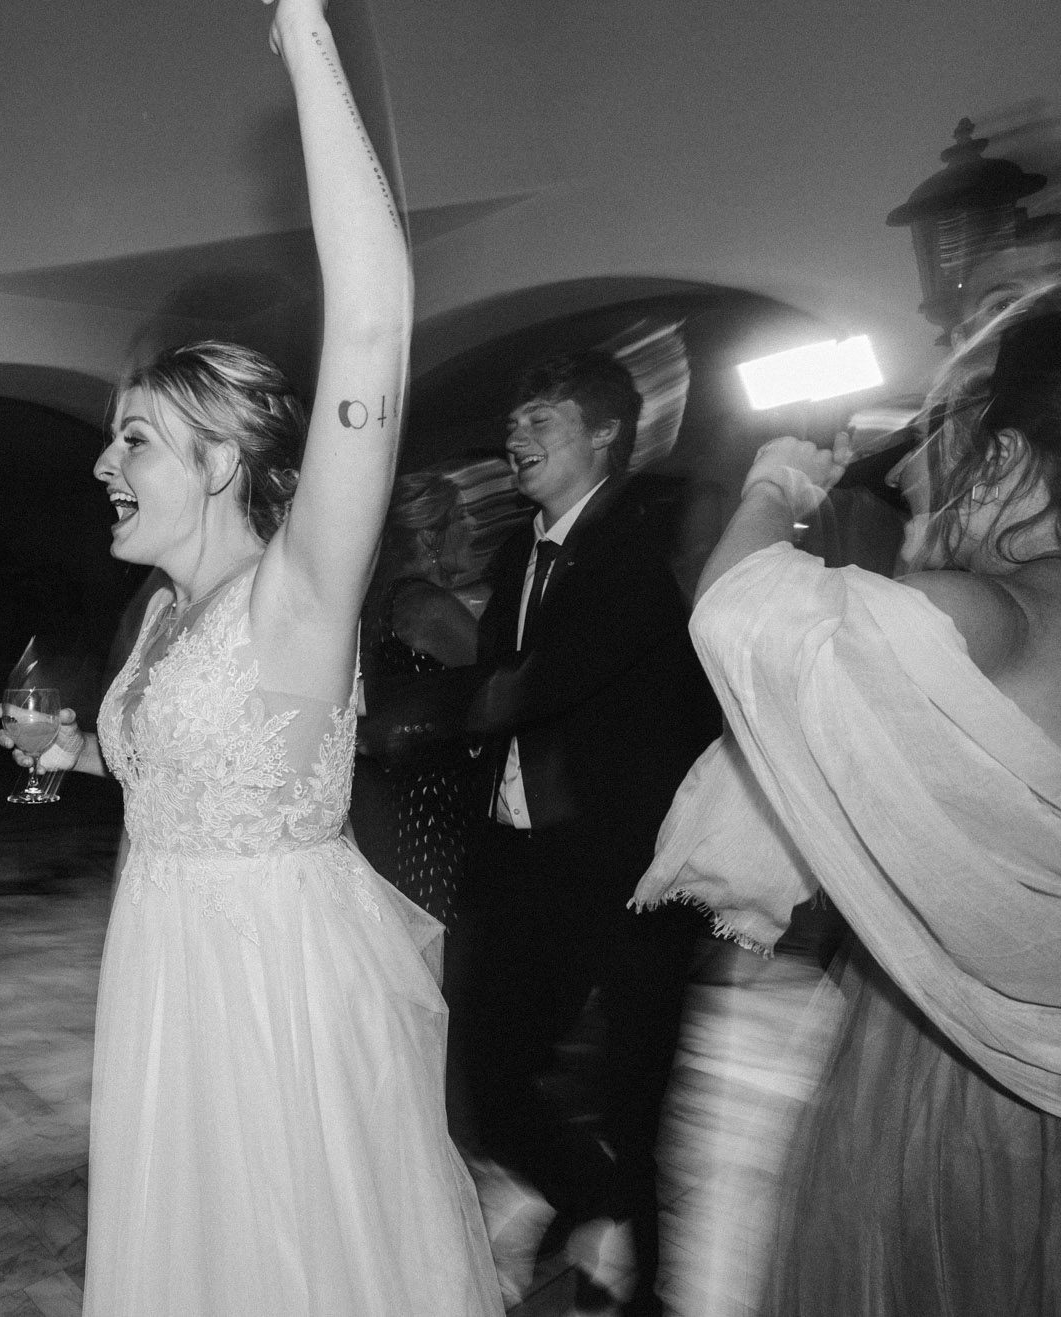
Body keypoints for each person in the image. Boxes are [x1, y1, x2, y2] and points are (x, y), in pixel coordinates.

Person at [1, 0, 499, 1312]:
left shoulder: (300, 593)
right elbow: (200, 776)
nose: (102, 465)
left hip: (271, 988)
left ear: (222, 462)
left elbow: (374, 317)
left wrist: (306, 33)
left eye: (135, 440)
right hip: (163, 974)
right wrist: (74, 753)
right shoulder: (162, 616)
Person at [637, 288, 1061, 1316]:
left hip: (956, 1077)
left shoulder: (988, 615)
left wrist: (772, 485)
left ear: (1005, 461)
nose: (916, 485)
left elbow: (745, 616)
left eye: (944, 451)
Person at [453, 350, 719, 1313]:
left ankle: (639, 1289)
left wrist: (457, 703)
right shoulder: (515, 553)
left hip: (633, 872)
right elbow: (503, 694)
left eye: (542, 419)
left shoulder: (642, 549)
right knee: (485, 1083)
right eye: (514, 422)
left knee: (634, 1104)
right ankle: (594, 1206)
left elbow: (539, 684)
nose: (516, 437)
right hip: (523, 863)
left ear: (605, 433)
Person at [348, 469, 487, 929]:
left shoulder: (379, 602)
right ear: (430, 535)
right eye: (461, 516)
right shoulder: (429, 609)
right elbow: (507, 687)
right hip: (435, 810)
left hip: (394, 804)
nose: (474, 526)